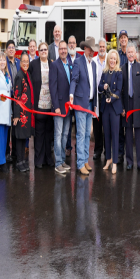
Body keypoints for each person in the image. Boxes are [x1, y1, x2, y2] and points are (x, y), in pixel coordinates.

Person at [69, 36, 98, 176]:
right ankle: (80, 163)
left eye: (93, 50)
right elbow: (74, 80)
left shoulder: (93, 64)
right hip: (80, 104)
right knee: (80, 134)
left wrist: (95, 105)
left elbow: (94, 85)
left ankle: (85, 160)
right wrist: (71, 95)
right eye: (90, 49)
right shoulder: (78, 62)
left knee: (87, 134)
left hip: (90, 103)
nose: (92, 52)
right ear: (85, 49)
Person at [121, 43, 140, 172]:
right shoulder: (122, 68)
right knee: (128, 135)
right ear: (126, 54)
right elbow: (120, 91)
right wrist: (122, 108)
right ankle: (129, 161)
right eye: (129, 52)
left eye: (132, 52)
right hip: (127, 106)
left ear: (135, 54)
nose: (130, 54)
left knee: (139, 135)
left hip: (138, 107)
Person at [29, 42, 54, 169]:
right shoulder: (33, 64)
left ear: (48, 51)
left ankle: (47, 159)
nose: (44, 51)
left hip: (50, 104)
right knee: (39, 134)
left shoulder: (52, 64)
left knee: (48, 134)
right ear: (38, 52)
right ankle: (38, 161)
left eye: (45, 49)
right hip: (38, 105)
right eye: (41, 50)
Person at [50, 40, 73, 174]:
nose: (64, 51)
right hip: (59, 107)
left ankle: (63, 161)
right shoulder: (54, 65)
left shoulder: (69, 64)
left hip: (68, 108)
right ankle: (58, 162)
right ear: (58, 51)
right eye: (61, 49)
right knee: (58, 135)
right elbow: (53, 87)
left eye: (65, 49)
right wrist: (56, 106)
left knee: (65, 135)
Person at [99, 49, 123, 174]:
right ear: (108, 60)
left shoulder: (119, 73)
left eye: (114, 58)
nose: (112, 60)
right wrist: (102, 87)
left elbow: (119, 91)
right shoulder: (104, 72)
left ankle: (114, 162)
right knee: (106, 134)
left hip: (114, 107)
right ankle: (108, 159)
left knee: (115, 134)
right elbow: (99, 86)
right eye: (111, 58)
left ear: (117, 60)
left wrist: (111, 99)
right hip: (105, 107)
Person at [13, 52, 35, 172]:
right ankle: (19, 161)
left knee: (24, 138)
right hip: (21, 114)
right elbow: (17, 96)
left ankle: (22, 160)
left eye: (27, 61)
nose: (26, 63)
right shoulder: (19, 76)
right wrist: (16, 115)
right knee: (20, 138)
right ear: (20, 63)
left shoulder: (27, 74)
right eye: (24, 61)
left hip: (27, 113)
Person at [5, 40, 20, 165]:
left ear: (15, 50)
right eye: (9, 47)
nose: (11, 49)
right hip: (7, 99)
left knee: (16, 126)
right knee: (7, 127)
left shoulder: (19, 63)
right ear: (6, 50)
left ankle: (15, 152)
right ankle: (7, 153)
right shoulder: (4, 63)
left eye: (13, 47)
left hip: (18, 99)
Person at [92, 39, 107, 160]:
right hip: (97, 96)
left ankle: (107, 151)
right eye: (100, 46)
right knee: (97, 125)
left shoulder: (110, 59)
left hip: (107, 97)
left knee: (106, 125)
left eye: (103, 46)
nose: (101, 48)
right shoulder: (93, 61)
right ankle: (97, 150)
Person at [117, 30, 129, 162]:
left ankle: (129, 154)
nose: (123, 39)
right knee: (120, 128)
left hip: (128, 94)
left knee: (128, 127)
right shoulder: (117, 55)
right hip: (119, 94)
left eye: (125, 37)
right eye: (121, 38)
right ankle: (120, 153)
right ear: (119, 41)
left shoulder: (130, 54)